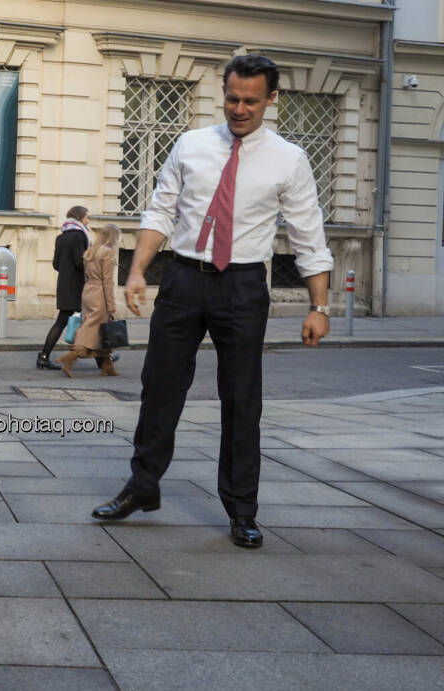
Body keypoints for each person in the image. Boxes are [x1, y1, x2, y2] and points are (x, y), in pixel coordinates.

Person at [90, 55, 333, 549]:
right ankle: (142, 488)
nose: (239, 109)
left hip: (242, 286)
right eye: (231, 98)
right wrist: (137, 270)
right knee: (160, 388)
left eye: (250, 100)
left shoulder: (288, 159)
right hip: (183, 278)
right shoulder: (191, 144)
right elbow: (161, 209)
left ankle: (242, 510)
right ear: (222, 93)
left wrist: (319, 306)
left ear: (271, 100)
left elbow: (310, 237)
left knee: (242, 400)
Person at [57, 223, 121, 377]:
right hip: (100, 293)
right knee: (91, 328)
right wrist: (111, 305)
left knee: (101, 329)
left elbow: (86, 275)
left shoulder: (90, 251)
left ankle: (107, 366)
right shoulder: (107, 252)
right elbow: (107, 280)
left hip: (88, 291)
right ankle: (71, 357)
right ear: (113, 237)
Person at [37, 206, 91, 370]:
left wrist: (66, 271)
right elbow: (79, 262)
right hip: (77, 286)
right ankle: (44, 357)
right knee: (90, 320)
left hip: (64, 284)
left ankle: (104, 358)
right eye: (87, 217)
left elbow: (55, 264)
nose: (88, 221)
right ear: (80, 217)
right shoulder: (79, 235)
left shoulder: (61, 237)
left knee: (70, 321)